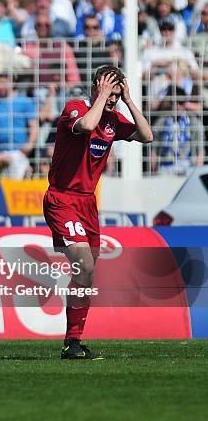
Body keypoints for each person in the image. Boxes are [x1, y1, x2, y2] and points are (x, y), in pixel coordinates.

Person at [42, 65, 153, 359]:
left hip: (88, 204)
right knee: (84, 264)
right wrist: (102, 98)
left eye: (117, 94)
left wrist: (129, 101)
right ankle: (71, 341)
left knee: (86, 274)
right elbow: (88, 126)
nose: (113, 99)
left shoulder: (114, 120)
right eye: (110, 93)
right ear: (96, 87)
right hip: (62, 199)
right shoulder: (75, 109)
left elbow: (147, 135)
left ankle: (73, 342)